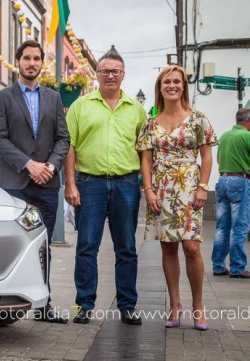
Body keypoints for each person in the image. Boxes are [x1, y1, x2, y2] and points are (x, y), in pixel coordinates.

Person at [0, 39, 70, 324]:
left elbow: (63, 138)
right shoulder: (3, 97)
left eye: (37, 58)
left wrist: (50, 165)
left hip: (47, 184)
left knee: (43, 246)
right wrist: (28, 164)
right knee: (13, 245)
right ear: (18, 61)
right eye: (27, 58)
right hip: (15, 184)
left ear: (41, 63)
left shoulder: (54, 98)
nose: (32, 63)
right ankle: (4, 303)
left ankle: (44, 304)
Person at [65, 47, 146, 325]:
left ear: (123, 75)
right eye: (104, 71)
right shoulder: (80, 106)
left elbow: (144, 150)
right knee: (87, 246)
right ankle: (85, 304)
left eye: (115, 71)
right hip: (90, 184)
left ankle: (127, 306)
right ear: (96, 75)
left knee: (126, 247)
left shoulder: (137, 110)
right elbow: (70, 147)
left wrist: (146, 186)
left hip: (126, 184)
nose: (110, 75)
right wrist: (70, 185)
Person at [136, 66, 215, 330]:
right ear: (159, 88)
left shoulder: (198, 119)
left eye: (176, 82)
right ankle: (174, 304)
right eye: (166, 81)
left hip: (190, 188)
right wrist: (148, 191)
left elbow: (207, 156)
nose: (172, 85)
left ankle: (198, 306)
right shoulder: (150, 124)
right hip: (161, 189)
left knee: (192, 247)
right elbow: (145, 160)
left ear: (183, 86)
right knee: (168, 247)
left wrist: (203, 187)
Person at [212, 108, 250, 279]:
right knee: (239, 226)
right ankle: (238, 267)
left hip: (222, 180)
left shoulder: (225, 136)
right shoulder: (247, 136)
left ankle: (218, 266)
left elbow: (219, 159)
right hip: (240, 181)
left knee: (222, 227)